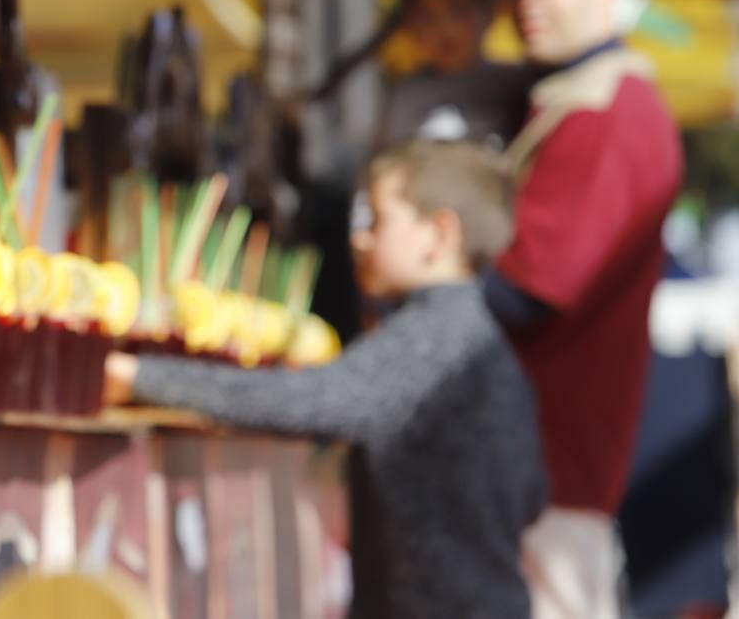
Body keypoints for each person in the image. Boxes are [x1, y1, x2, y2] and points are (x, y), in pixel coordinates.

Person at [106, 140, 546, 619]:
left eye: (377, 220)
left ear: (439, 235)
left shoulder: (432, 338)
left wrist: (143, 378)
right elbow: (532, 494)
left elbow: (311, 400)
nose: (359, 239)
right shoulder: (485, 341)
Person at [483, 0, 682, 618]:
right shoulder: (576, 95)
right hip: (542, 469)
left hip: (549, 471)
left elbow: (526, 292)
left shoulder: (606, 107)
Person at [377, 0, 533, 150]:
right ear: (410, 24)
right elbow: (385, 167)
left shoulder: (516, 86)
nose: (445, 29)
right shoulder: (407, 97)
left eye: (459, 10)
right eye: (427, 17)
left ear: (488, 11)